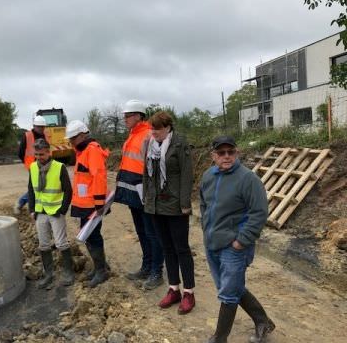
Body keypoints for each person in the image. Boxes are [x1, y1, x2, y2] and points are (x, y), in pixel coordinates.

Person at [200, 136, 275, 343]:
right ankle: (263, 321)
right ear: (213, 155)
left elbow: (259, 213)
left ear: (237, 153)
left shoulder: (248, 179)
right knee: (230, 288)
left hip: (235, 247)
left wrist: (241, 241)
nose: (226, 156)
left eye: (230, 152)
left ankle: (219, 338)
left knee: (228, 293)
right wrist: (206, 230)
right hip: (212, 243)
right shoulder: (208, 176)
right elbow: (204, 204)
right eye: (221, 152)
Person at [143, 111, 195, 315]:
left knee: (181, 248)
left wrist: (184, 204)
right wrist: (147, 199)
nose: (153, 132)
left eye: (157, 129)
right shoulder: (150, 144)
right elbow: (146, 174)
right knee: (166, 248)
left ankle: (189, 292)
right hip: (156, 206)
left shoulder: (179, 143)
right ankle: (174, 289)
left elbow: (186, 174)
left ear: (168, 127)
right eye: (152, 128)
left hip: (175, 206)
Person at [114, 100, 164, 290]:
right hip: (133, 194)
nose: (125, 119)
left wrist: (151, 192)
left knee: (152, 233)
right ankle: (147, 266)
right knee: (142, 232)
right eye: (125, 116)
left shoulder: (148, 136)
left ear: (138, 116)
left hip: (146, 194)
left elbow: (156, 168)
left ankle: (156, 272)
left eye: (128, 116)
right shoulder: (132, 136)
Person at [65, 120, 110, 288]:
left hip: (92, 204)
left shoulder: (92, 151)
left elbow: (98, 176)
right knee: (88, 236)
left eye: (73, 138)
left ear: (83, 135)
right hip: (85, 204)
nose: (71, 142)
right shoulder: (82, 151)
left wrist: (99, 204)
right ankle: (100, 267)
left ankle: (101, 271)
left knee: (93, 236)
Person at [27, 138, 74, 289]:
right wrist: (32, 209)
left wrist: (63, 209)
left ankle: (68, 272)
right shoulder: (33, 167)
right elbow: (31, 190)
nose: (39, 157)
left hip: (55, 212)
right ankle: (49, 274)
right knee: (44, 244)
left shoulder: (59, 167)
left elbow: (68, 190)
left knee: (61, 243)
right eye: (36, 154)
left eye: (41, 154)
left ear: (49, 152)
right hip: (40, 212)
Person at [15, 115, 50, 214]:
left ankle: (39, 204)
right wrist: (27, 164)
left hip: (45, 165)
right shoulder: (27, 135)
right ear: (34, 126)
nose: (41, 129)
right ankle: (21, 202)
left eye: (43, 127)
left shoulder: (46, 135)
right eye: (39, 126)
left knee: (43, 185)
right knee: (34, 187)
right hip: (32, 166)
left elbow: (48, 151)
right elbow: (20, 152)